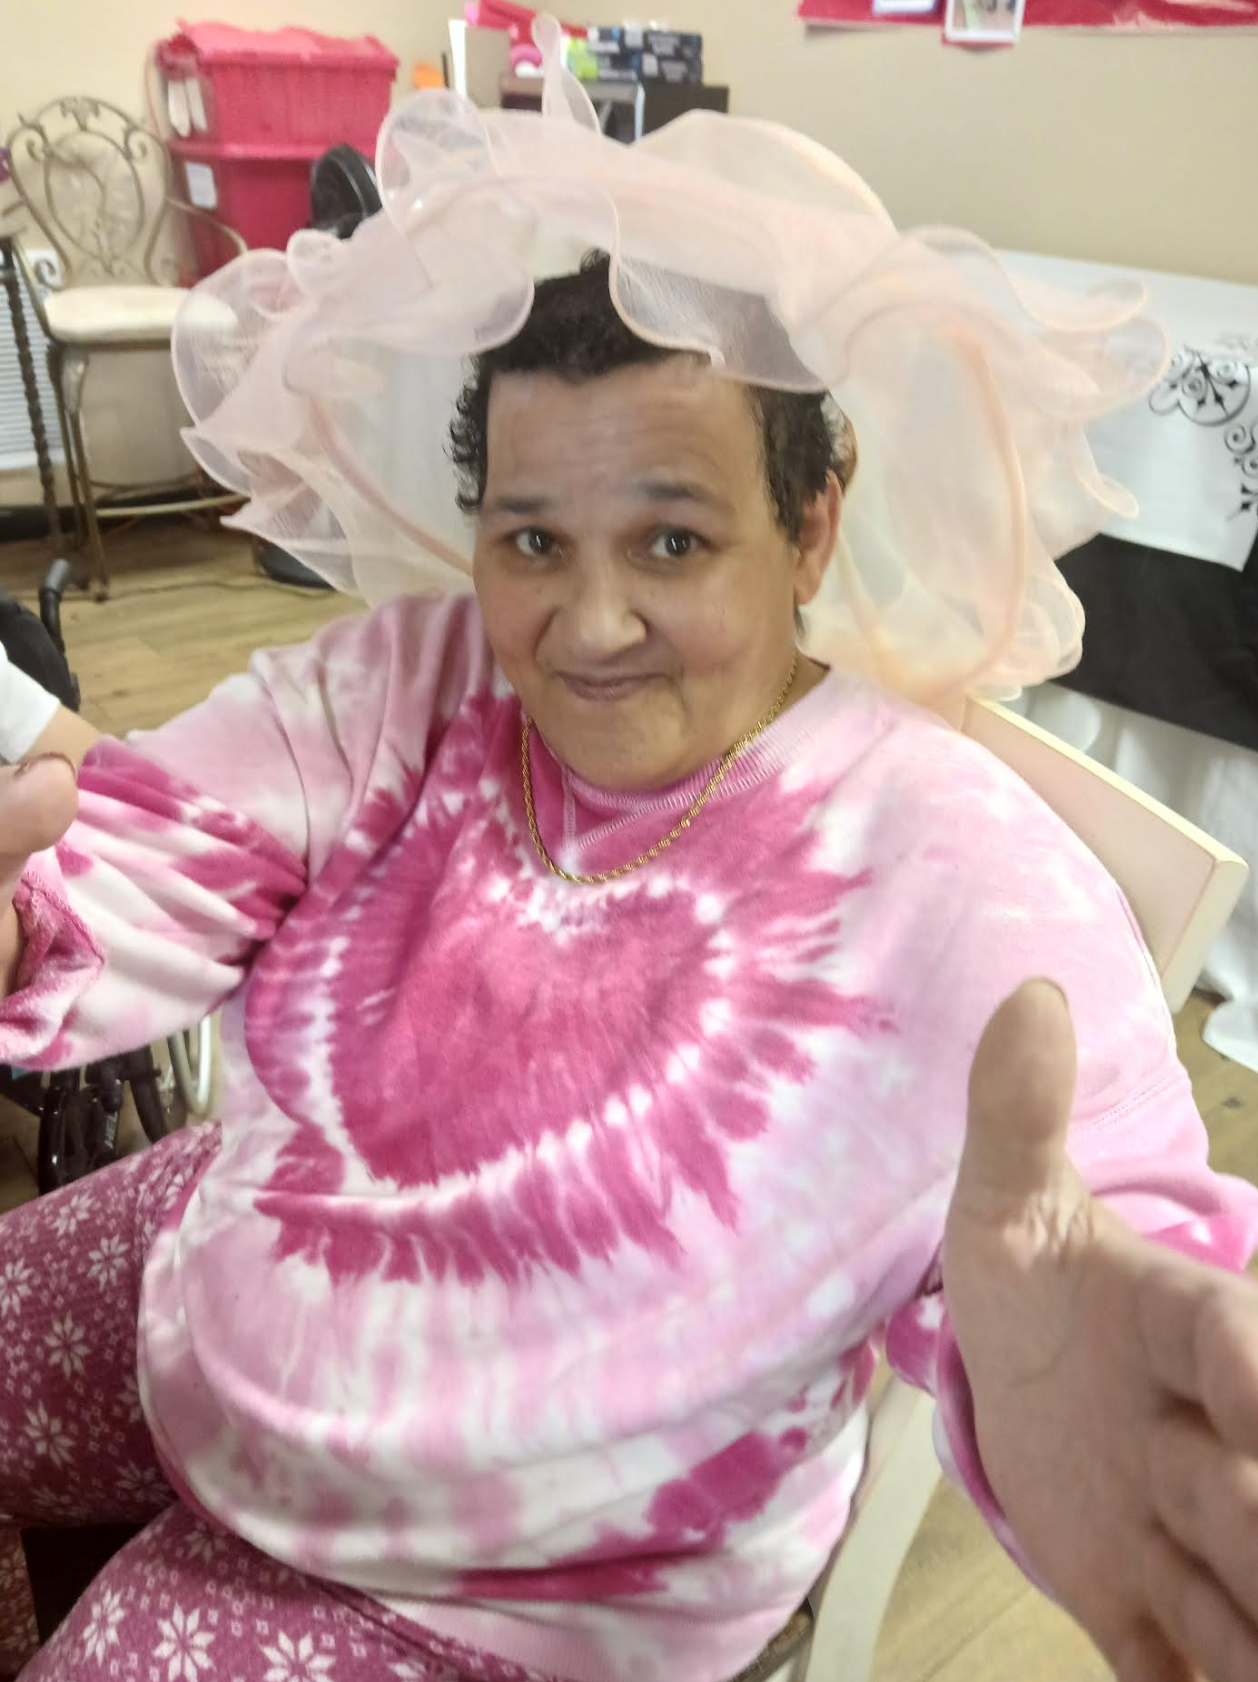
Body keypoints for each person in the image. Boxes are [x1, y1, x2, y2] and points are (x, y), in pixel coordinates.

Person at [4, 23, 1258, 1682]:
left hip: (504, 1592)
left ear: (809, 525)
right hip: (230, 1265)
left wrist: (1108, 1373)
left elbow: (1104, 1228)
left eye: (671, 539)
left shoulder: (959, 881)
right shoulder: (412, 688)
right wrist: (26, 916)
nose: (586, 628)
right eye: (532, 539)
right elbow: (144, 852)